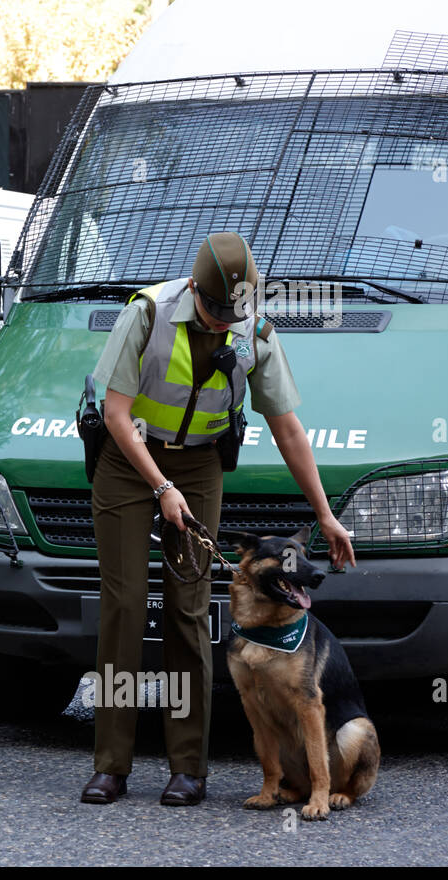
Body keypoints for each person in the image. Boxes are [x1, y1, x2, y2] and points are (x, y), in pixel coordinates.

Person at [81, 231, 356, 806]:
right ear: (193, 289)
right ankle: (112, 763)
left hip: (200, 465)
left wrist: (326, 515)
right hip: (129, 458)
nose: (220, 322)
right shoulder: (148, 313)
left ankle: (188, 767)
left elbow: (287, 428)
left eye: (233, 312)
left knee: (189, 608)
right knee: (126, 606)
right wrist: (161, 487)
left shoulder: (253, 330)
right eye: (213, 309)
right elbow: (115, 411)